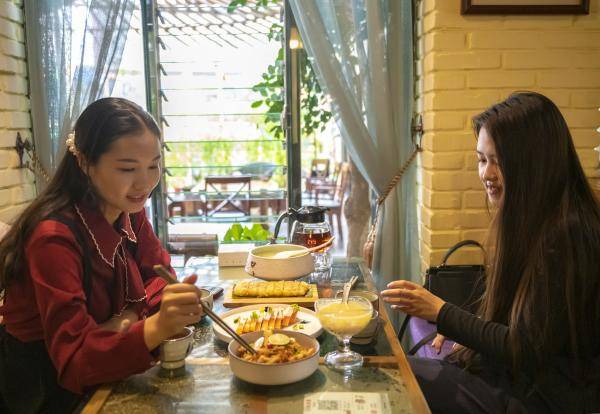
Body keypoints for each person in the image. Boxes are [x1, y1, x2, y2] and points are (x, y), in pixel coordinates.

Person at [381, 92, 600, 413]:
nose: (486, 174)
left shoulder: (569, 233)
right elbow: (529, 325)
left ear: (534, 162)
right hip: (521, 381)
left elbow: (527, 348)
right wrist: (472, 333)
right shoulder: (535, 220)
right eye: (482, 159)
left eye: (498, 161)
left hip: (544, 400)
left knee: (397, 376)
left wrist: (441, 313)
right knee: (398, 371)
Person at [0, 98, 204, 413]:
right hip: (44, 387)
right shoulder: (53, 238)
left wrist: (128, 318)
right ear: (84, 162)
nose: (145, 182)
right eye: (127, 168)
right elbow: (75, 361)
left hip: (106, 365)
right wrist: (154, 325)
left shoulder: (128, 206)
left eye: (154, 164)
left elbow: (160, 275)